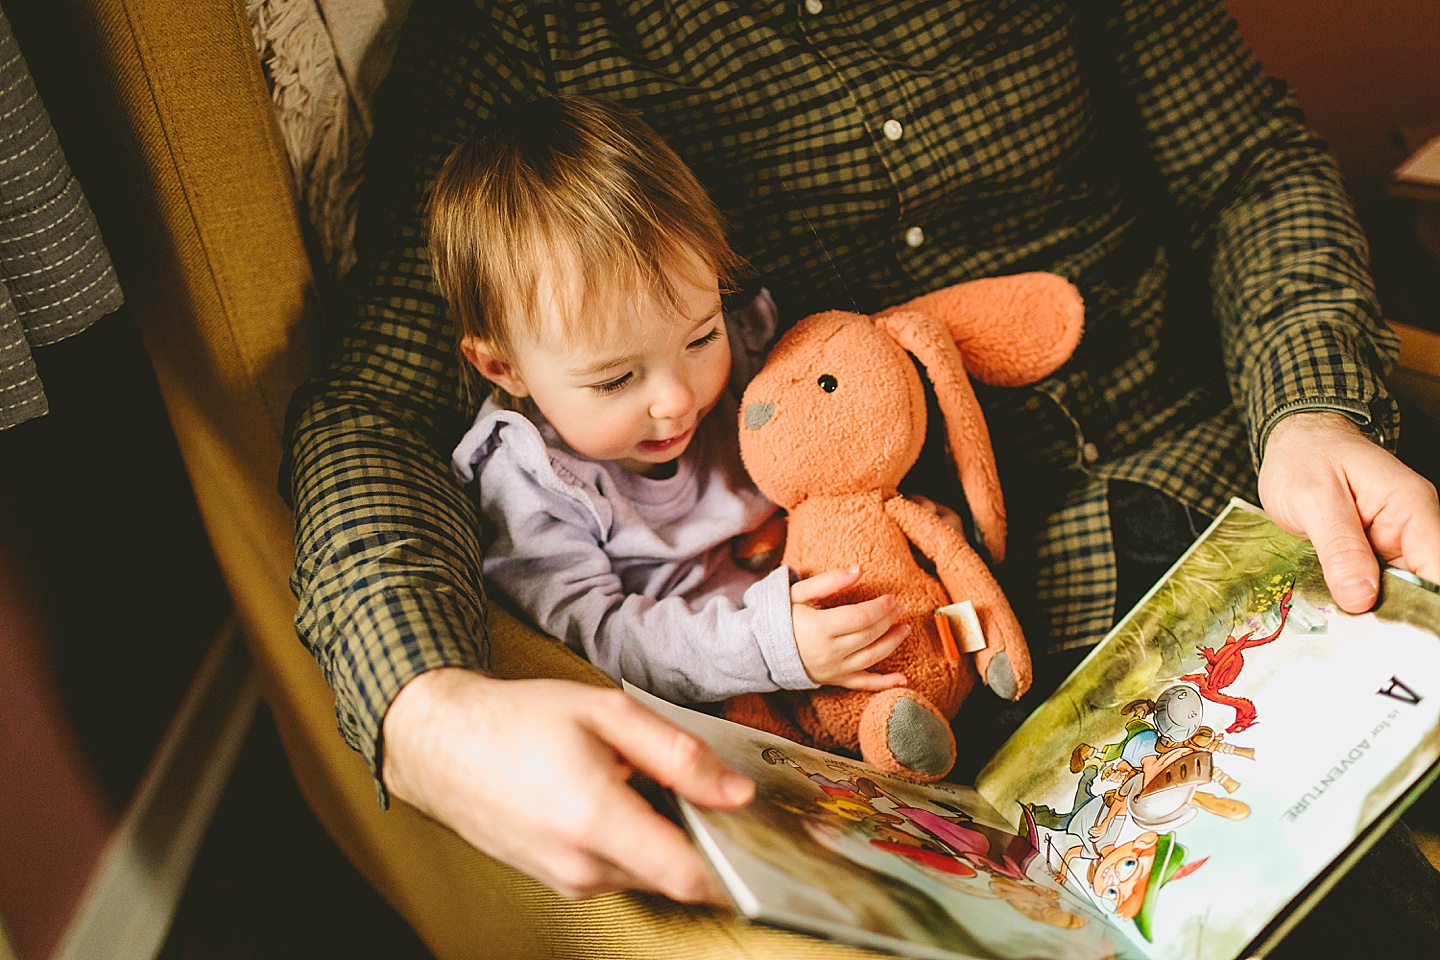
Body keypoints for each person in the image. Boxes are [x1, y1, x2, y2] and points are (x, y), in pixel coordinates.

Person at [283, 0, 1440, 949]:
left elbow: (1247, 166)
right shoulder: (523, 34)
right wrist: (421, 704)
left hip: (1206, 469)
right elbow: (378, 404)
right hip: (909, 649)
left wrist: (1315, 415)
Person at [432, 94, 911, 705]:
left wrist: (898, 518)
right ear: (503, 367)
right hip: (725, 694)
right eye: (614, 380)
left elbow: (837, 452)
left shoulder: (749, 354)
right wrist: (766, 646)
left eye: (700, 337)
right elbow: (600, 642)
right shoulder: (534, 480)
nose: (678, 398)